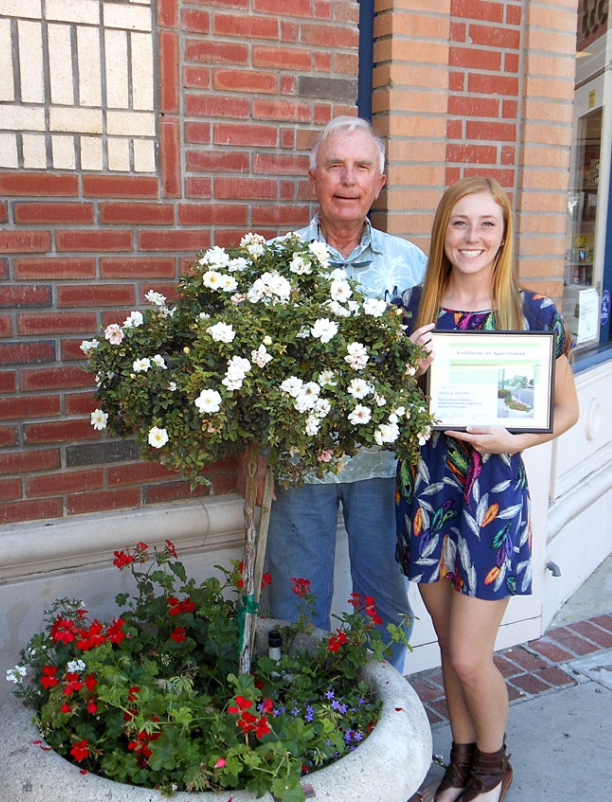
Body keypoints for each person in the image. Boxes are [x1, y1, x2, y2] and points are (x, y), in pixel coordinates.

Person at [398, 177, 579, 802]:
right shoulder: (410, 308)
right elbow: (380, 412)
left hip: (491, 497)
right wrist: (406, 373)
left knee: (472, 657)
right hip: (426, 494)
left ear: (504, 235)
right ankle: (462, 765)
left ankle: (495, 768)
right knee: (450, 648)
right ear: (442, 230)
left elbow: (565, 409)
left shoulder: (534, 314)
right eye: (459, 223)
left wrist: (515, 441)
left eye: (487, 224)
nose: (472, 237)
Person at [264, 116, 427, 670]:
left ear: (380, 182)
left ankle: (381, 712)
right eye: (336, 165)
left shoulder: (412, 266)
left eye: (363, 167)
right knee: (293, 599)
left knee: (383, 599)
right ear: (314, 176)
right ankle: (296, 712)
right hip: (299, 464)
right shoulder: (277, 262)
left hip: (383, 468)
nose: (348, 179)